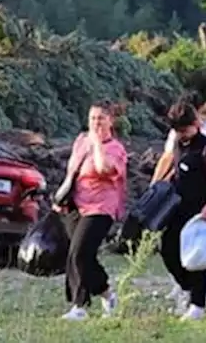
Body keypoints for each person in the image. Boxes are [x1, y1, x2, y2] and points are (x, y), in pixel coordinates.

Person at [152, 103, 206, 306]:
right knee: (168, 249)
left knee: (197, 258)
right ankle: (186, 288)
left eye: (185, 130)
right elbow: (175, 169)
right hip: (177, 208)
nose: (182, 135)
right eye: (178, 131)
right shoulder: (180, 145)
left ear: (195, 124)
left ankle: (198, 305)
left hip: (199, 212)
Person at [54, 102, 129, 320]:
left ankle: (81, 306)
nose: (96, 122)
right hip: (76, 205)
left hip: (101, 208)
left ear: (110, 121)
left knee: (80, 253)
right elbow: (72, 170)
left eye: (101, 118)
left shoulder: (115, 149)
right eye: (92, 118)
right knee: (78, 256)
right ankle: (102, 295)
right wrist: (61, 196)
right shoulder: (81, 141)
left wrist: (97, 143)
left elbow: (103, 169)